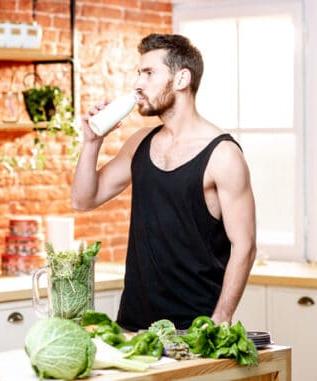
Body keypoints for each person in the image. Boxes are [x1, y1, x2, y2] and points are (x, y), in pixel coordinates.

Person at [72, 33, 256, 331]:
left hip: (194, 327)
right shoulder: (140, 142)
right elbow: (83, 200)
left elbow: (245, 245)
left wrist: (220, 318)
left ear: (182, 79)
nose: (138, 84)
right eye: (138, 73)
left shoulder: (223, 155)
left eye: (149, 73)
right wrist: (92, 142)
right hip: (133, 323)